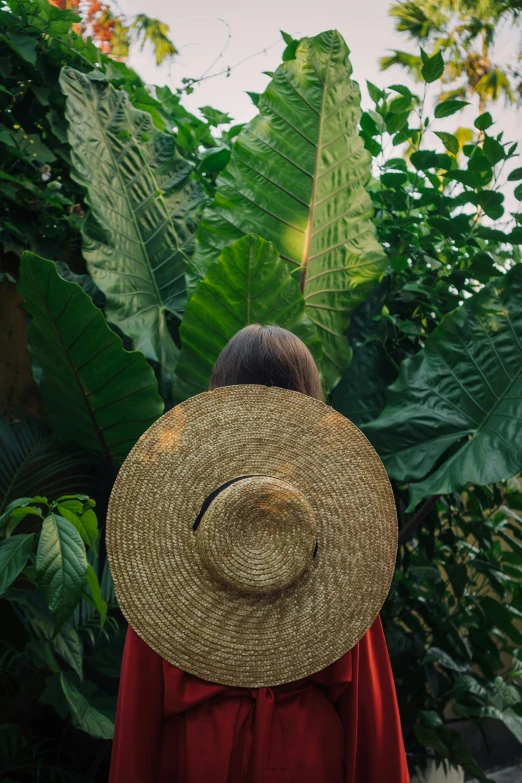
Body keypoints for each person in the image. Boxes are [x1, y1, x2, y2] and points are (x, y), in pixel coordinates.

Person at [107, 324, 410, 783]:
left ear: (218, 399)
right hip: (307, 754)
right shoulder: (342, 543)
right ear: (308, 400)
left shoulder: (166, 545)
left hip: (197, 757)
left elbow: (138, 711)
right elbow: (371, 716)